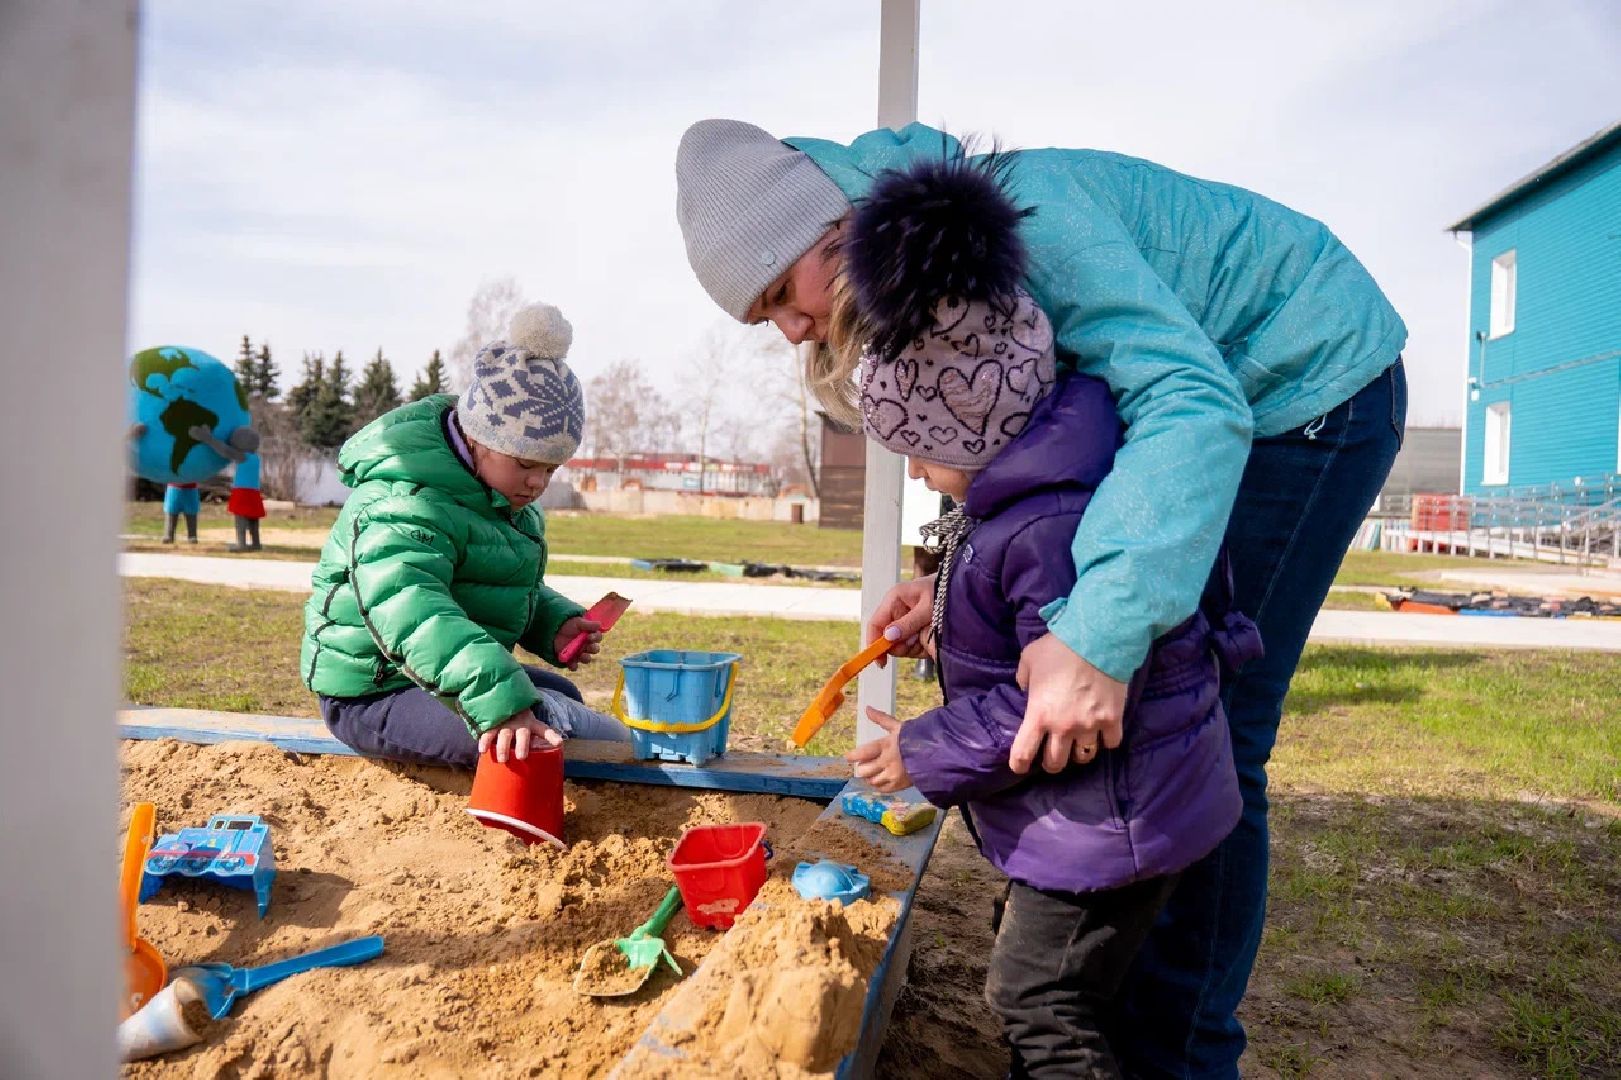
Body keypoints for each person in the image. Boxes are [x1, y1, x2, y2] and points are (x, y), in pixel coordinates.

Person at [675, 118, 1406, 1076]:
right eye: (761, 319)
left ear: (829, 232)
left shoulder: (1028, 224)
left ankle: (1178, 1054)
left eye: (780, 296)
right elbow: (1020, 444)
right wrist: (944, 575)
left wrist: (1098, 637)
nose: (791, 329)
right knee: (1157, 711)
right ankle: (1101, 987)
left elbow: (1189, 406)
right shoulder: (912, 261)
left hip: (1297, 382)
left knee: (1206, 723)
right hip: (1203, 396)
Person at [837, 155, 1259, 1078]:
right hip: (1109, 809)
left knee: (1035, 999)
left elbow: (1044, 700)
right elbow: (1016, 627)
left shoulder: (1052, 525)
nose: (914, 474)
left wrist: (925, 746)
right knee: (1045, 968)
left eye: (919, 453)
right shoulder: (1034, 498)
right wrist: (940, 607)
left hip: (1117, 813)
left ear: (972, 433)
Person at [300, 302, 631, 769]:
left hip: (427, 672)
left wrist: (552, 624)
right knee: (518, 734)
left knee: (560, 692)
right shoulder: (405, 499)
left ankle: (550, 714)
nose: (538, 483)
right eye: (525, 463)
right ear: (477, 437)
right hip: (371, 691)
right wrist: (505, 707)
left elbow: (492, 584)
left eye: (550, 468)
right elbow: (413, 608)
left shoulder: (498, 494)